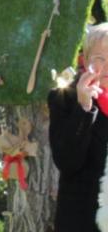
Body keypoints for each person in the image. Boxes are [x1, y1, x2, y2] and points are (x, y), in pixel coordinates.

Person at [49, 23, 108, 232]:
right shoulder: (65, 97)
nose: (107, 66)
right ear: (87, 61)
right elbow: (67, 161)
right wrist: (84, 108)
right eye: (100, 58)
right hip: (81, 219)